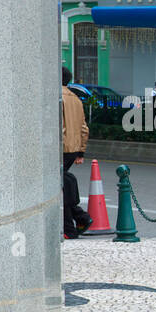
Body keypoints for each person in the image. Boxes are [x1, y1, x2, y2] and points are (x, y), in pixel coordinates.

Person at [61, 67, 92, 239]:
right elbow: (84, 128)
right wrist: (81, 152)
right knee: (63, 184)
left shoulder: (57, 96)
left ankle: (70, 228)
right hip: (73, 149)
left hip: (61, 149)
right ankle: (81, 217)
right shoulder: (76, 99)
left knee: (61, 187)